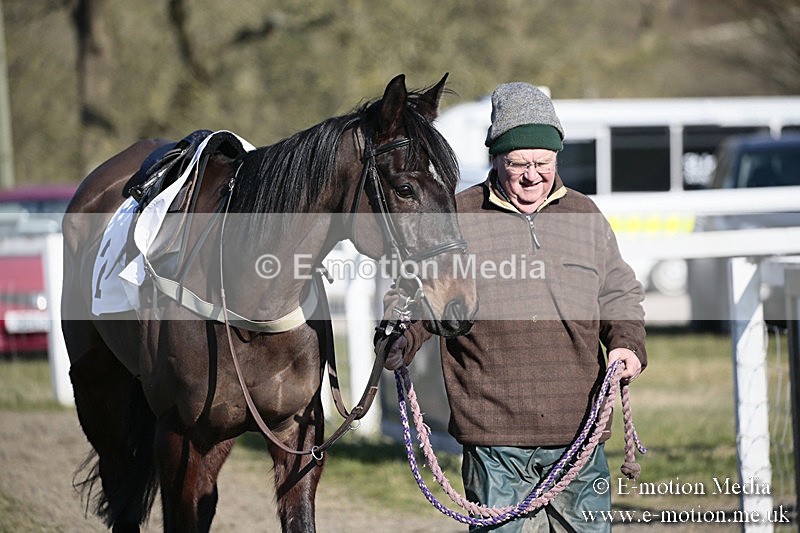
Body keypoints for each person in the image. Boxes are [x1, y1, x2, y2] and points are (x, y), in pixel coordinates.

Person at [376, 82, 647, 532]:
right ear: (495, 159)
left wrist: (627, 344)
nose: (531, 175)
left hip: (580, 435)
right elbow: (421, 292)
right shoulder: (457, 217)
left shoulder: (585, 216)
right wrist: (401, 332)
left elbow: (618, 292)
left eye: (542, 162)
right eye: (518, 163)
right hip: (492, 438)